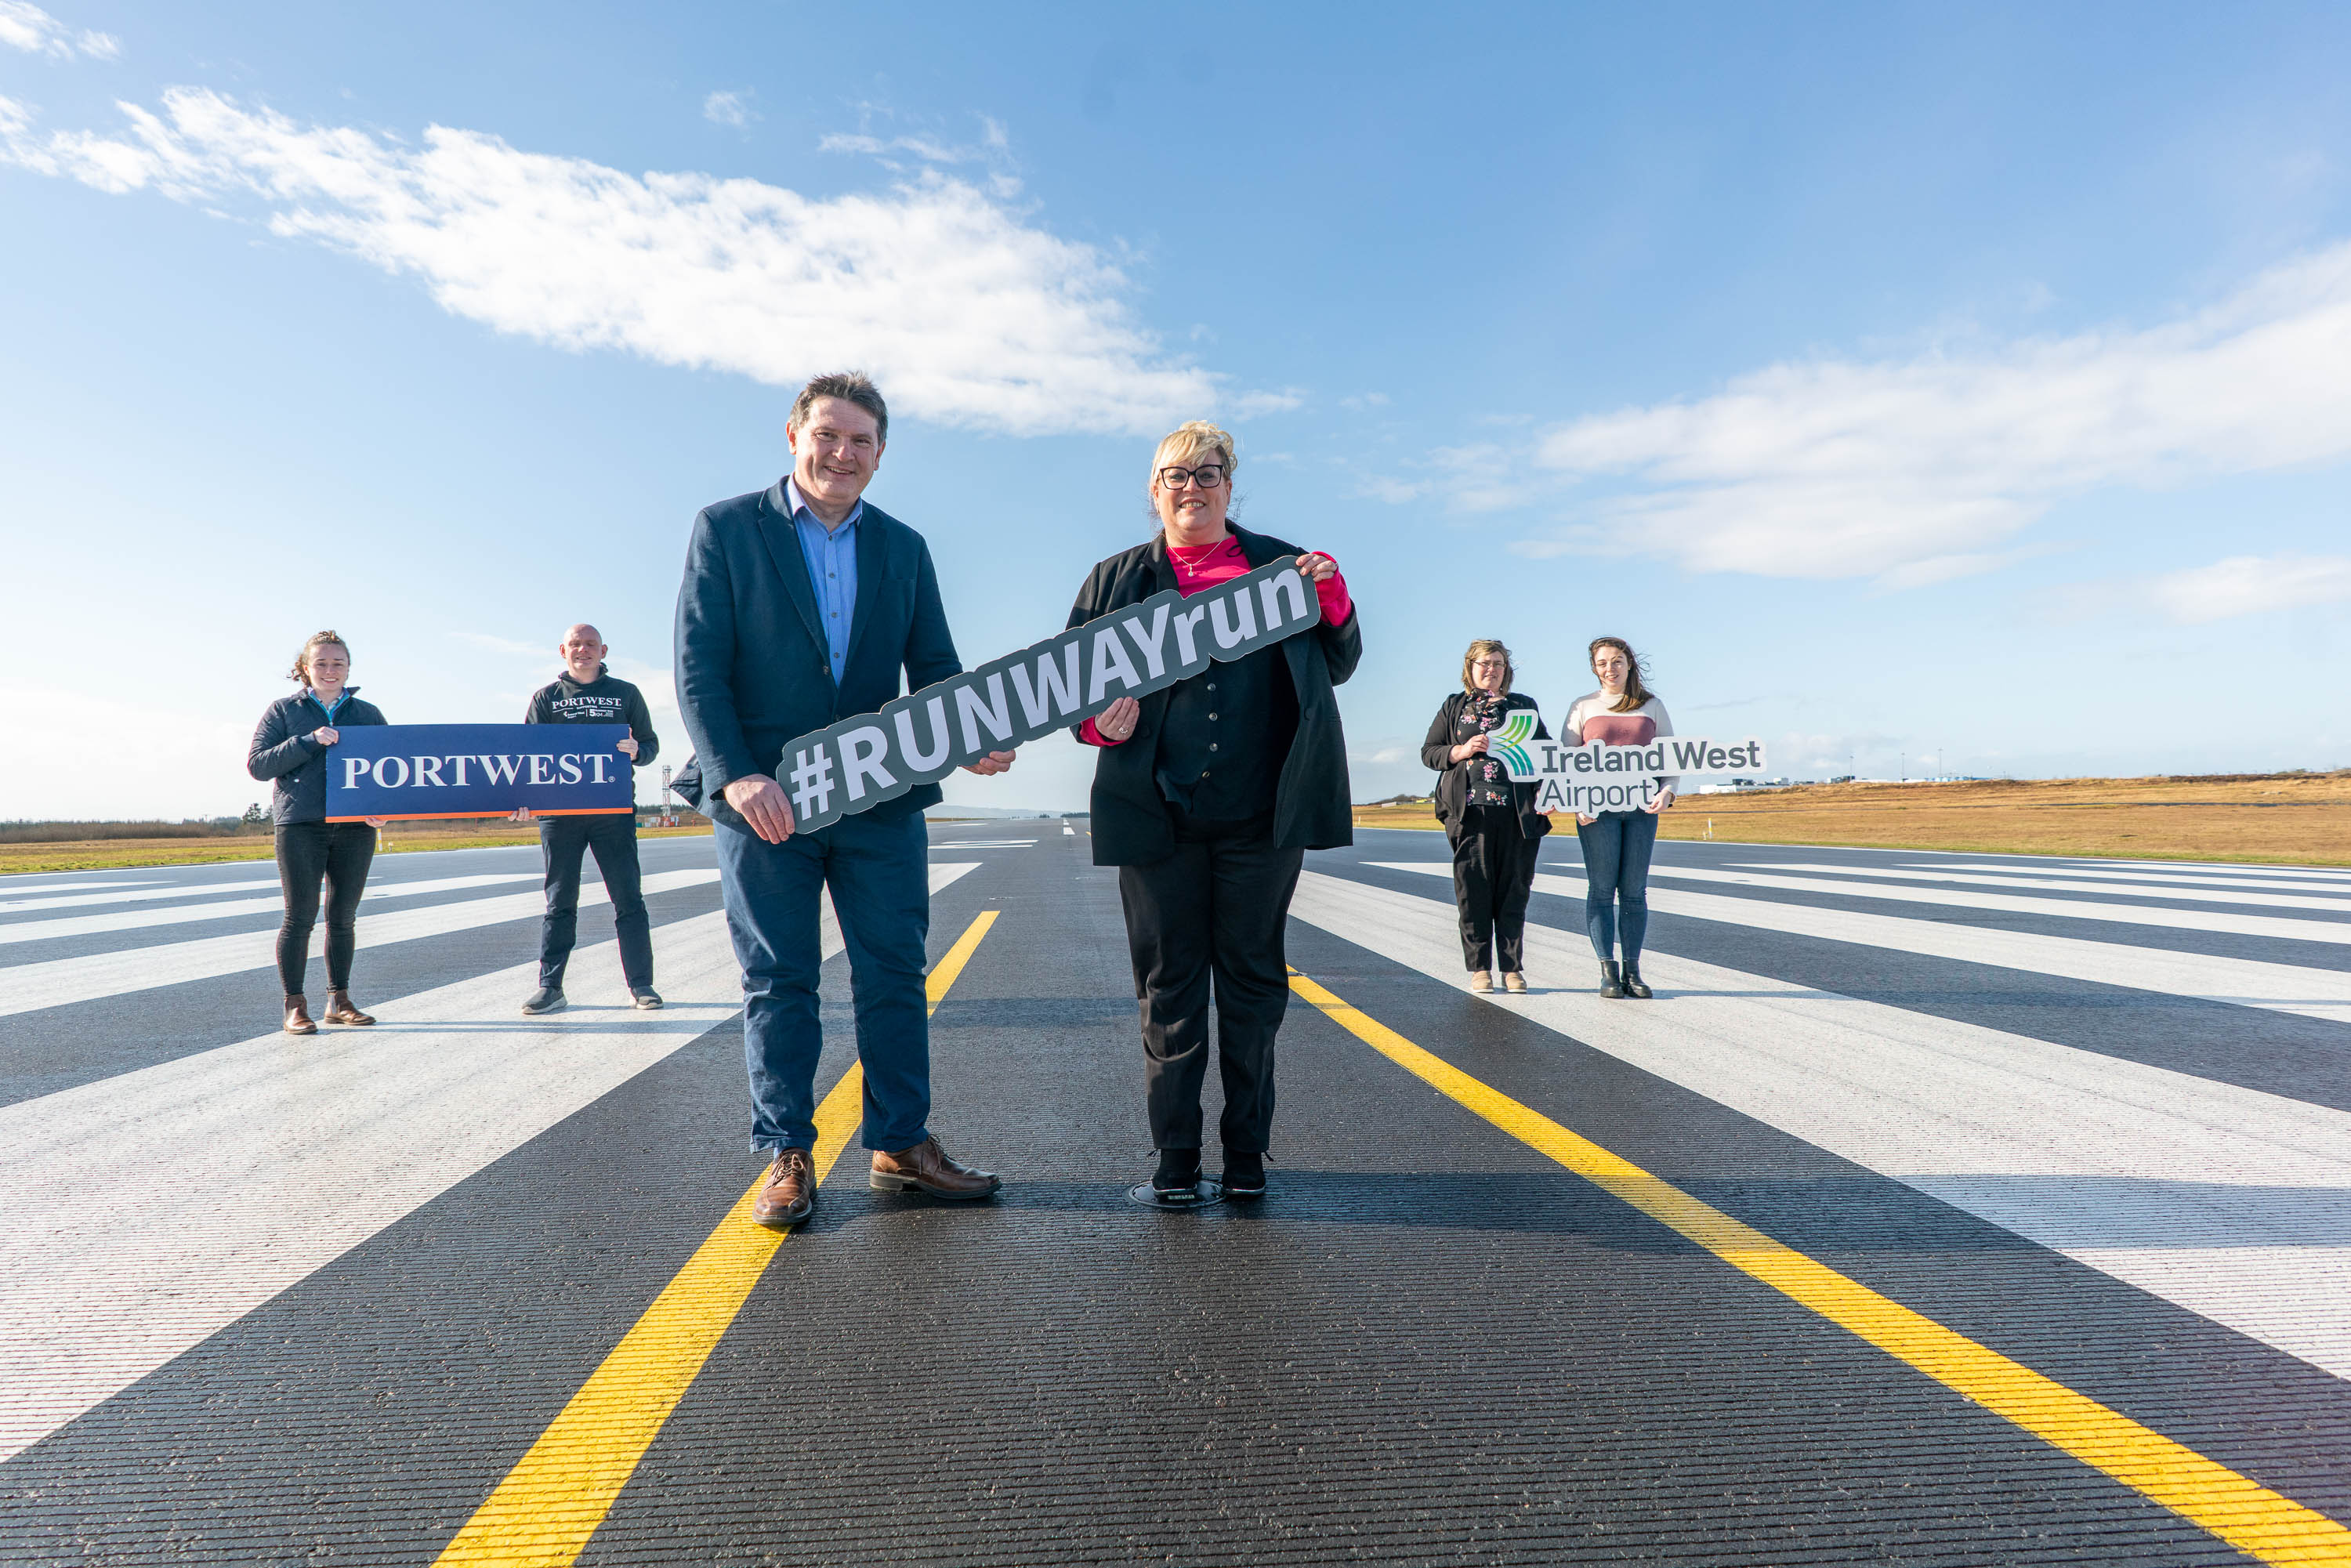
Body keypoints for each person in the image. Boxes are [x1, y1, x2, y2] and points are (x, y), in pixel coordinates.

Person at [675, 371, 1016, 1232]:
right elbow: (699, 667)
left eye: (862, 441)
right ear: (794, 437)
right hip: (767, 804)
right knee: (780, 980)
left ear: (881, 454)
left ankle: (901, 1143)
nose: (843, 453)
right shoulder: (725, 528)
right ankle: (788, 1152)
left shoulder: (904, 546)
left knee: (894, 974)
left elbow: (934, 665)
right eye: (828, 435)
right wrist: (736, 773)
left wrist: (966, 731)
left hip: (879, 801)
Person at [1070, 420, 1360, 1204]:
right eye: (1176, 475)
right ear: (1153, 490)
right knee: (1168, 991)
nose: (1191, 486)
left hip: (1261, 819)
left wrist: (1334, 603)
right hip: (1156, 818)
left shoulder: (1281, 568)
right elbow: (1073, 693)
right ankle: (1173, 1155)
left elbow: (1340, 661)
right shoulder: (1116, 580)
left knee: (1253, 987)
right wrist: (1101, 724)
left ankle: (1245, 1154)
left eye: (1208, 473)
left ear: (1230, 485)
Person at [245, 630, 389, 1035]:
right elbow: (258, 765)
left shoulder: (368, 714)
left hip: (355, 829)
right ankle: (295, 1005)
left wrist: (382, 811)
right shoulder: (282, 711)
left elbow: (390, 770)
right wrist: (308, 741)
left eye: (338, 663)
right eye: (321, 663)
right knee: (299, 918)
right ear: (305, 669)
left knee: (343, 918)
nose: (330, 670)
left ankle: (339, 1000)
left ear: (348, 669)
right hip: (300, 826)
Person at [516, 624, 662, 1016]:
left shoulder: (626, 693)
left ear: (603, 650)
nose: (583, 650)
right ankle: (551, 987)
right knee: (559, 901)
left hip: (612, 813)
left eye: (591, 644)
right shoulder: (546, 697)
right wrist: (524, 800)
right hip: (559, 815)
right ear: (563, 650)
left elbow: (650, 745)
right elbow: (528, 756)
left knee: (628, 898)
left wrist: (637, 750)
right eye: (576, 644)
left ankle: (641, 984)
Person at [1421, 639, 1550, 994]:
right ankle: (1480, 968)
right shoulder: (1454, 707)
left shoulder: (1523, 707)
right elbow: (1429, 752)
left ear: (1506, 669)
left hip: (1516, 815)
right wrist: (1460, 751)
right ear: (1470, 667)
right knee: (1473, 892)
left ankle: (1512, 968)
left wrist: (1549, 791)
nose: (1491, 669)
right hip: (1469, 814)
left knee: (1514, 891)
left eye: (1498, 663)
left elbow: (1547, 755)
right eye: (1483, 663)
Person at [1560, 636, 1676, 1000]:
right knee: (1600, 890)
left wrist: (1667, 792)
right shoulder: (1582, 707)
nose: (1610, 669)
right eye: (1602, 663)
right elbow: (1566, 762)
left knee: (1634, 892)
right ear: (1595, 668)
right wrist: (1575, 799)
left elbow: (1671, 757)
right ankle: (1607, 972)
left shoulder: (1652, 706)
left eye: (1617, 661)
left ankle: (1633, 971)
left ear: (1629, 664)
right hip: (1597, 811)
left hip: (1642, 810)